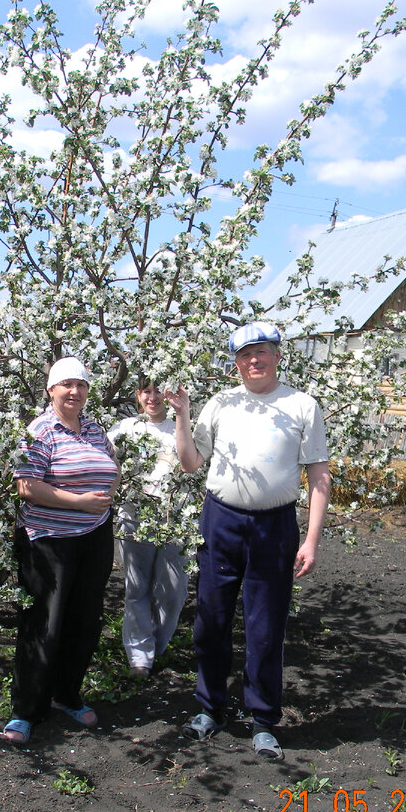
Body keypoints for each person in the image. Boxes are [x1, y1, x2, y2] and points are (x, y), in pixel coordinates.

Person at [165, 322, 331, 760]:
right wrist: (182, 414)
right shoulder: (221, 403)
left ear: (277, 356)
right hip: (221, 522)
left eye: (261, 352)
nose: (253, 360)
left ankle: (263, 721)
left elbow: (318, 475)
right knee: (211, 619)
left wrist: (311, 540)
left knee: (266, 626)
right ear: (235, 363)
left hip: (274, 528)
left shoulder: (301, 405)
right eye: (244, 355)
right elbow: (191, 462)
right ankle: (210, 708)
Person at [3, 357, 119, 745]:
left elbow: (112, 467)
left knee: (84, 621)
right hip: (49, 540)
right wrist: (80, 502)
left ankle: (67, 695)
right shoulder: (39, 431)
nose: (74, 391)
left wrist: (104, 498)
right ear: (50, 390)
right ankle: (26, 710)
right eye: (66, 384)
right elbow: (26, 486)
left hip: (94, 537)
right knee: (44, 622)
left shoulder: (94, 429)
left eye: (81, 385)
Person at [108, 380, 188, 679]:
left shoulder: (182, 426)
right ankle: (139, 656)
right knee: (137, 588)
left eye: (158, 391)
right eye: (146, 391)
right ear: (138, 396)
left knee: (173, 591)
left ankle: (157, 643)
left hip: (176, 519)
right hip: (135, 516)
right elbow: (105, 457)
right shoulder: (126, 428)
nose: (153, 398)